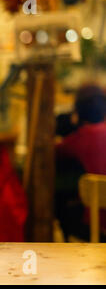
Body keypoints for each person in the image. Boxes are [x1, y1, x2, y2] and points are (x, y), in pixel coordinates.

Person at [55, 84, 106, 241]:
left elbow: (55, 151)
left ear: (77, 111)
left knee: (61, 207)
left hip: (99, 225)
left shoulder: (81, 137)